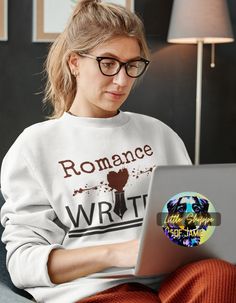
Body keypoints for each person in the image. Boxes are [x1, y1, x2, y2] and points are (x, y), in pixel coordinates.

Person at [0, 1, 235, 302]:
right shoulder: (34, 147)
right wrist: (117, 252)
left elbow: (191, 220)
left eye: (132, 65)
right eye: (108, 63)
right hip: (93, 289)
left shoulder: (159, 134)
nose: (123, 80)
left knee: (221, 277)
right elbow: (22, 264)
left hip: (168, 278)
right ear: (74, 63)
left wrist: (208, 227)